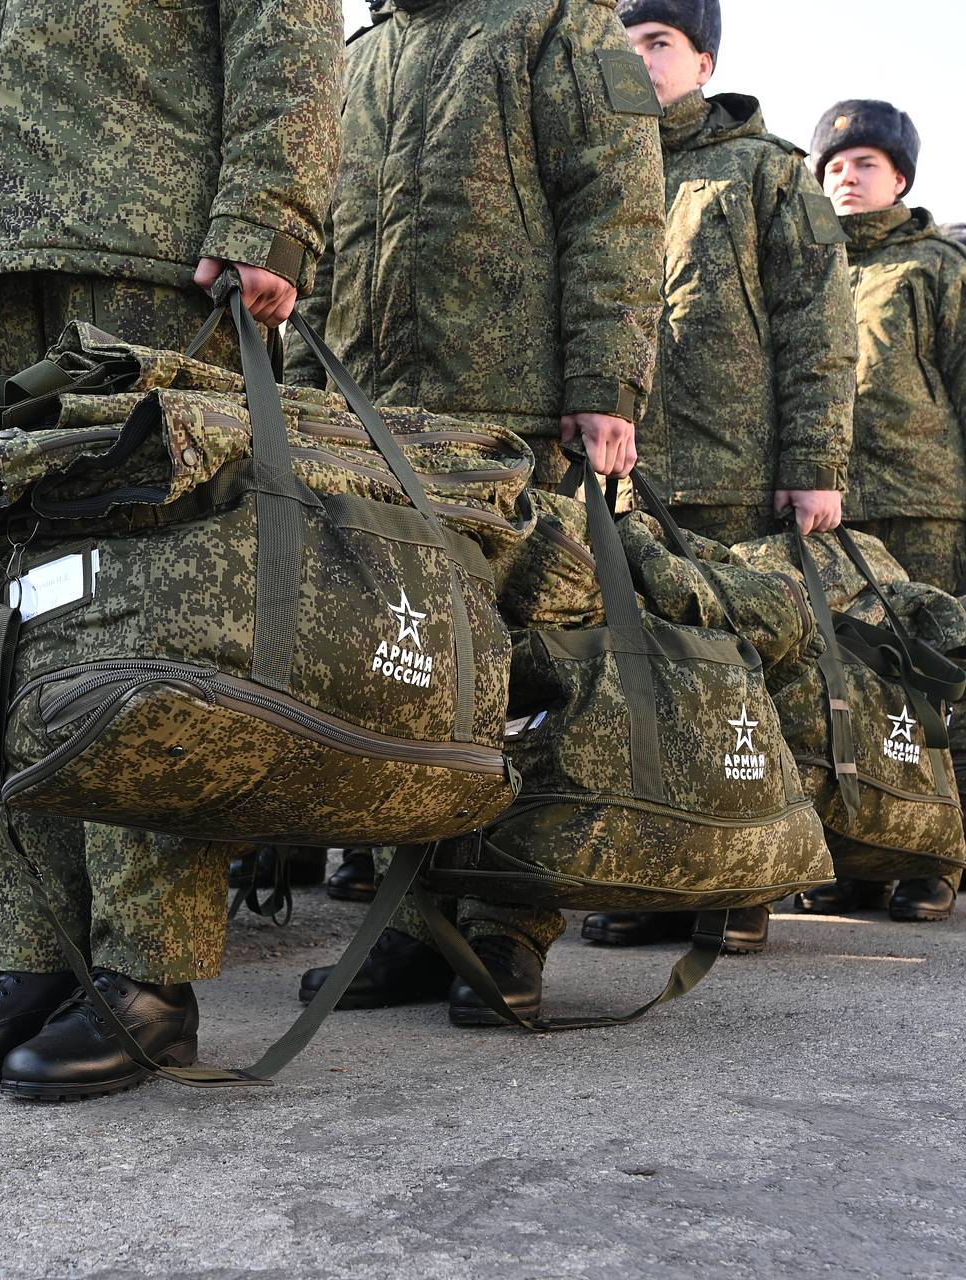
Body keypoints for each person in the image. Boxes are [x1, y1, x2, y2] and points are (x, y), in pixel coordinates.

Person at [0, 0, 342, 1098]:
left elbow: (283, 18)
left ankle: (146, 967)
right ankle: (30, 952)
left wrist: (268, 210)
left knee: (134, 612)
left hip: (139, 245)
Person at [286, 0, 666, 1025]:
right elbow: (316, 226)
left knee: (522, 674)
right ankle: (411, 927)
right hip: (365, 412)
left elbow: (621, 200)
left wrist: (606, 378)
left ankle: (505, 926)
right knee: (392, 676)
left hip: (504, 411)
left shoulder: (562, 24)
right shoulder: (361, 55)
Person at [580, 0, 858, 957]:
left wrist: (815, 465)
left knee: (747, 679)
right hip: (622, 476)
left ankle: (744, 879)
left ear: (703, 57)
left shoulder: (768, 171)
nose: (639, 61)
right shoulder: (591, 157)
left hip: (734, 476)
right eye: (623, 44)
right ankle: (664, 868)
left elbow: (818, 326)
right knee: (641, 677)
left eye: (658, 43)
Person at [794, 100, 966, 924]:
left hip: (924, 508)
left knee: (934, 686)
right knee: (853, 691)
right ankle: (863, 851)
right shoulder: (807, 265)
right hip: (835, 517)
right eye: (832, 166)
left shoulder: (936, 267)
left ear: (900, 177)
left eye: (863, 164)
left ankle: (935, 855)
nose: (845, 177)